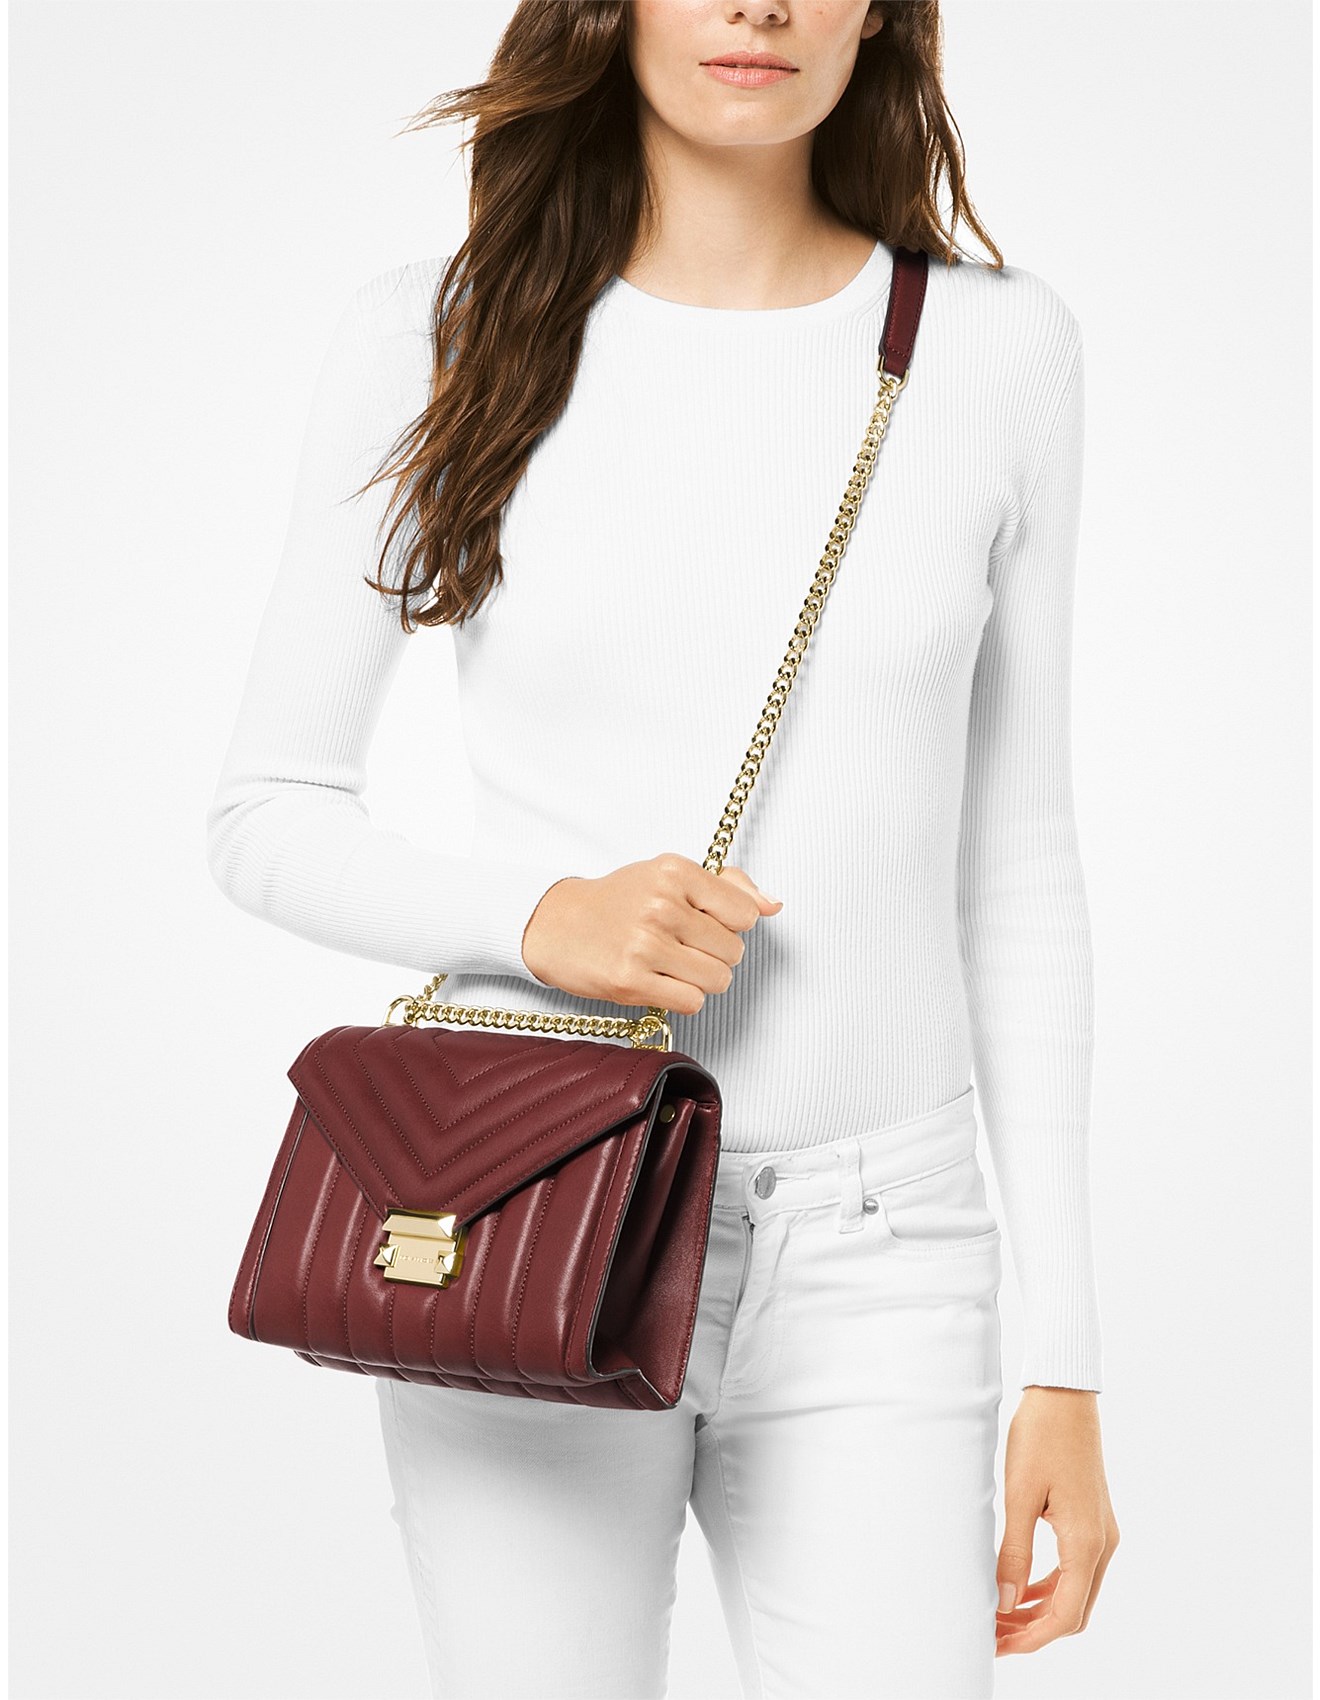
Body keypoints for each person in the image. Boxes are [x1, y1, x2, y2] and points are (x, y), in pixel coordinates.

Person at [206, 2, 1121, 1695]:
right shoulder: (435, 332)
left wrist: (1062, 1359)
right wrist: (543, 917)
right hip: (525, 1198)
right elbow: (265, 815)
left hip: (883, 1247)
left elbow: (1022, 868)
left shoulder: (1000, 350)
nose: (758, 5)